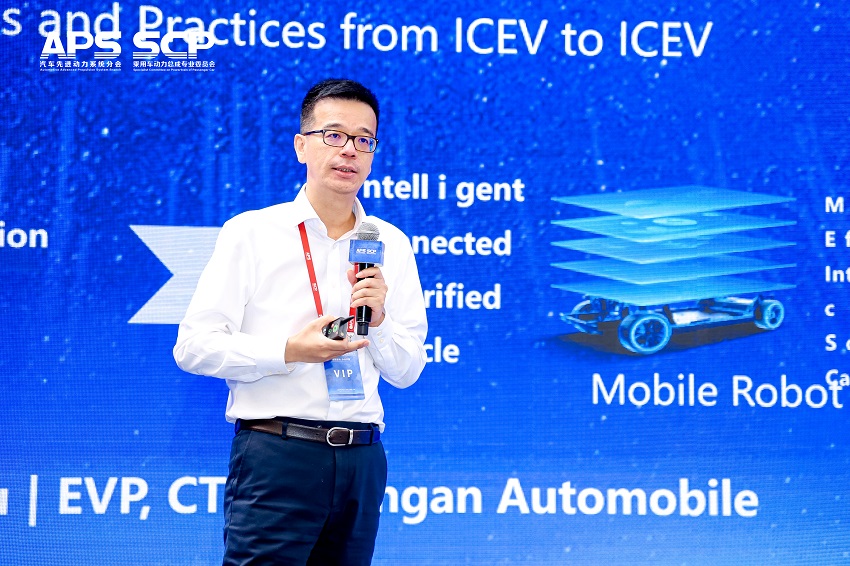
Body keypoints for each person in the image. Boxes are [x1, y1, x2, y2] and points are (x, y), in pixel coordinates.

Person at [173, 78, 428, 565]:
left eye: (364, 140)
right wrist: (289, 350)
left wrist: (378, 322)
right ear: (301, 146)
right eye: (334, 135)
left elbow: (407, 369)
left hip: (362, 459)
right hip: (278, 454)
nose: (349, 150)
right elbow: (194, 346)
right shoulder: (251, 233)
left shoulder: (390, 243)